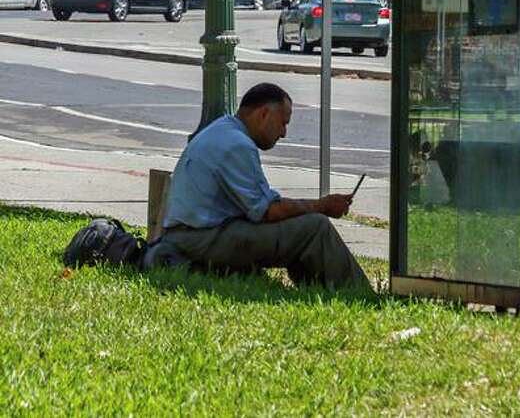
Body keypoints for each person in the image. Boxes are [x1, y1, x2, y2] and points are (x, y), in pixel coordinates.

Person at [144, 82, 370, 290]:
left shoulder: (222, 129)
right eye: (283, 122)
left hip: (188, 235)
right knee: (315, 226)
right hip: (201, 240)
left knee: (299, 224)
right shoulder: (238, 145)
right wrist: (323, 205)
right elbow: (267, 211)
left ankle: (316, 287)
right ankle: (357, 292)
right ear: (264, 114)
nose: (284, 133)